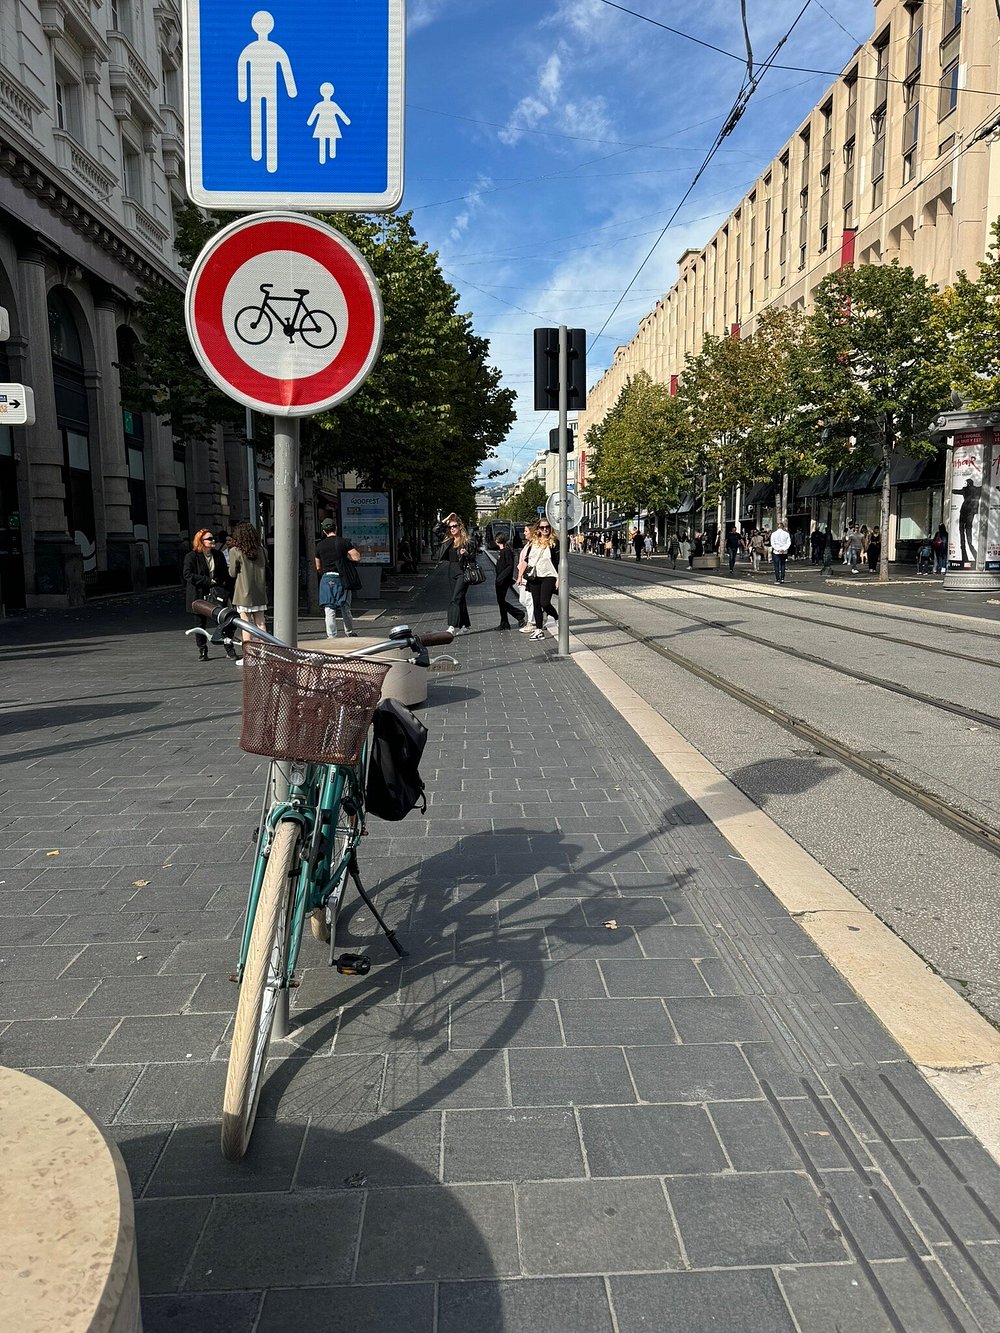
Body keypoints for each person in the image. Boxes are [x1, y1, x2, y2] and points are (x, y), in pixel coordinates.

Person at [183, 528, 236, 661]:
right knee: (200, 624)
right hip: (198, 595)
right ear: (201, 541)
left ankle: (229, 649)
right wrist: (207, 581)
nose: (213, 541)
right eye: (210, 539)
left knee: (224, 622)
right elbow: (187, 574)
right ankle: (202, 650)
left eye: (213, 538)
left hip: (216, 594)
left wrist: (219, 583)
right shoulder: (191, 556)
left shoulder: (218, 555)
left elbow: (224, 573)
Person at [228, 520, 270, 663]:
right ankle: (263, 655)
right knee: (260, 623)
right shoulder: (262, 550)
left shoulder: (235, 551)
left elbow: (232, 573)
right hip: (259, 591)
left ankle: (249, 656)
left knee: (246, 624)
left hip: (243, 592)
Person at [315, 517, 361, 639]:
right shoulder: (344, 542)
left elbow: (318, 566)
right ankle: (349, 632)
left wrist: (323, 573)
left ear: (324, 531)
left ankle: (331, 636)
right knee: (345, 606)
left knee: (329, 608)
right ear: (336, 528)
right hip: (341, 578)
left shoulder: (319, 545)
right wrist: (346, 559)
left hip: (326, 578)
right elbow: (356, 557)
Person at [518, 519, 560, 640]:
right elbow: (526, 560)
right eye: (542, 527)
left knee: (544, 602)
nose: (545, 529)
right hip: (534, 576)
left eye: (547, 527)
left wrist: (559, 579)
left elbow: (559, 561)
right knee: (536, 604)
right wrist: (520, 576)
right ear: (538, 529)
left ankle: (557, 617)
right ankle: (538, 630)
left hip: (549, 575)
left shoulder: (554, 542)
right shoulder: (533, 543)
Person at [437, 513, 477, 635]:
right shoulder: (448, 540)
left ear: (460, 527)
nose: (452, 529)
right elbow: (436, 529)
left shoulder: (468, 541)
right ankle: (464, 625)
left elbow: (473, 558)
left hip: (463, 572)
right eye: (450, 527)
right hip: (451, 571)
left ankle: (452, 626)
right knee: (460, 598)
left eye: (454, 526)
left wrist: (466, 554)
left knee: (455, 599)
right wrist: (446, 519)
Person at [493, 533, 527, 631]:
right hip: (500, 580)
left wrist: (501, 577)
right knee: (501, 601)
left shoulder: (506, 551)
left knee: (501, 601)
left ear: (497, 540)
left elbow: (509, 566)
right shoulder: (502, 551)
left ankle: (519, 615)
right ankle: (504, 622)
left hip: (503, 580)